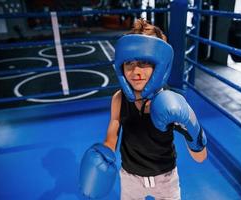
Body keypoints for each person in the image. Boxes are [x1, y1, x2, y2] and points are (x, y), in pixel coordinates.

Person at [79, 19, 207, 200]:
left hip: (166, 179)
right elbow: (112, 135)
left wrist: (193, 130)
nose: (136, 71)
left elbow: (200, 157)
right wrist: (104, 154)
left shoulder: (171, 102)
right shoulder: (119, 98)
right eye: (129, 62)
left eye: (145, 62)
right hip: (130, 178)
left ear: (159, 65)